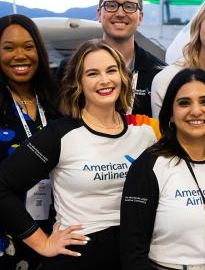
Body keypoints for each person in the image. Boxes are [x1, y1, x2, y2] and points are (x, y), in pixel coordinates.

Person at [0, 39, 160, 270]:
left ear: (123, 77)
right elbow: (3, 185)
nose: (105, 80)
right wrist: (43, 243)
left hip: (136, 255)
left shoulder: (145, 132)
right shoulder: (61, 134)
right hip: (80, 257)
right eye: (92, 73)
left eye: (111, 70)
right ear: (79, 83)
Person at [121, 68, 205, 270]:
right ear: (170, 114)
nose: (196, 111)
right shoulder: (149, 166)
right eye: (184, 103)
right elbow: (132, 254)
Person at [0, 14, 60, 270]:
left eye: (28, 46)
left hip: (56, 232)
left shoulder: (57, 100)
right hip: (7, 234)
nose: (20, 55)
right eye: (8, 48)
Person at [97, 0, 167, 116]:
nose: (120, 13)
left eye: (129, 6)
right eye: (111, 5)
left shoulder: (161, 75)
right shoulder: (72, 69)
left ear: (140, 17)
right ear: (99, 14)